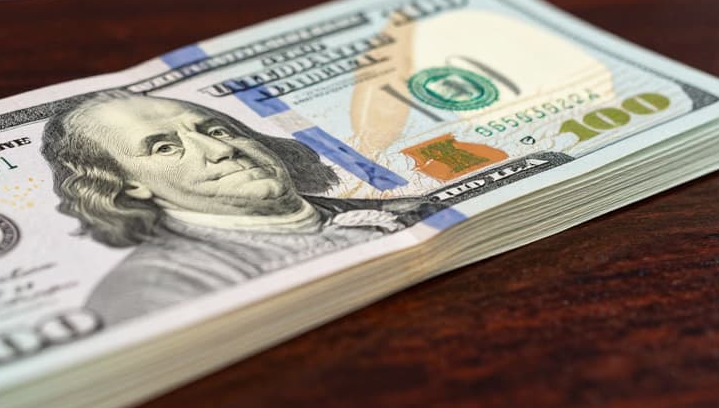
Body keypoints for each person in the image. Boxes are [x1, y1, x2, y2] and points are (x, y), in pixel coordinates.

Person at [41, 90, 439, 325]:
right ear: (128, 184)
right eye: (165, 147)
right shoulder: (156, 289)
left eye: (215, 130)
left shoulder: (412, 207)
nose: (221, 149)